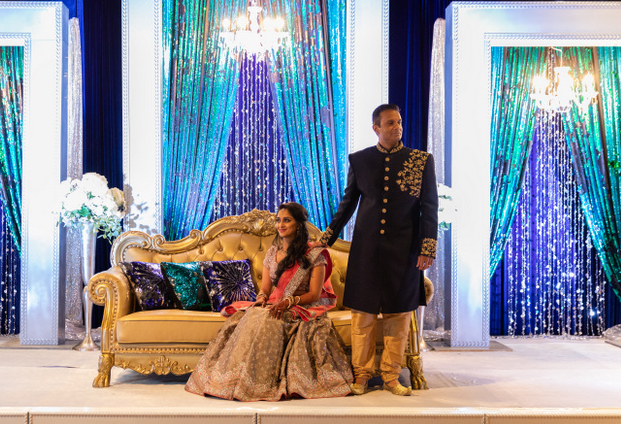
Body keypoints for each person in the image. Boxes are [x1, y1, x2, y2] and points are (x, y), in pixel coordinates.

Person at [320, 104, 437, 396]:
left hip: (405, 251)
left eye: (399, 122)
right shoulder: (360, 160)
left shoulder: (420, 161)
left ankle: (391, 377)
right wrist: (326, 240)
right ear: (376, 127)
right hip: (367, 250)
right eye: (390, 123)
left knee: (398, 318)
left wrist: (427, 248)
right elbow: (347, 205)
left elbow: (429, 207)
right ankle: (361, 375)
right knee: (363, 318)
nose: (397, 127)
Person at [185, 202, 353, 401]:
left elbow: (315, 295)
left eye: (287, 220)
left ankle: (262, 383)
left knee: (270, 320)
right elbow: (265, 288)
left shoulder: (315, 255)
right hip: (275, 303)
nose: (280, 225)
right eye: (278, 220)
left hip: (303, 307)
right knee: (252, 315)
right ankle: (234, 380)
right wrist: (262, 298)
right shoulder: (272, 253)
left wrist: (289, 302)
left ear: (299, 225)